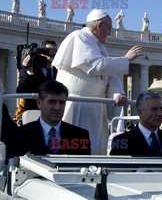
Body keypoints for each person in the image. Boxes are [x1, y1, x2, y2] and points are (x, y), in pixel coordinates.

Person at [52, 9, 143, 154]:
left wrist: (117, 92)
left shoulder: (100, 47)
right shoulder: (79, 37)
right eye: (109, 28)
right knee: (75, 150)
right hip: (78, 104)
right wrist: (126, 59)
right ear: (100, 25)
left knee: (94, 150)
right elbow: (96, 66)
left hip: (96, 106)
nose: (110, 32)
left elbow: (110, 75)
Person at [15, 80, 91, 156]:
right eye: (52, 102)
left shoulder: (80, 136)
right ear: (39, 103)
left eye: (61, 102)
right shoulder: (20, 135)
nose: (57, 107)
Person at [110, 92, 162, 156]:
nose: (160, 114)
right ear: (140, 113)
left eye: (161, 109)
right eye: (154, 109)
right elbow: (116, 167)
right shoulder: (122, 141)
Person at [17, 40, 58, 112]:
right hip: (33, 112)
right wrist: (30, 72)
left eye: (56, 51)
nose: (53, 54)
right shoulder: (29, 69)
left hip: (53, 112)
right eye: (49, 50)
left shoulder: (58, 70)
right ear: (41, 52)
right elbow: (21, 91)